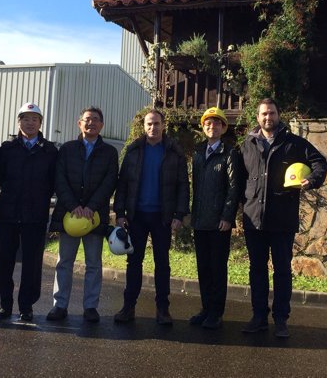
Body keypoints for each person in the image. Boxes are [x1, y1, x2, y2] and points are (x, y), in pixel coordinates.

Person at [239, 98, 327, 338]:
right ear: (257, 117)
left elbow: (320, 162)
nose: (268, 118)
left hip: (282, 220)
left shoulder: (294, 143)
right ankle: (258, 316)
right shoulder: (247, 145)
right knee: (256, 270)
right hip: (254, 220)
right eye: (264, 114)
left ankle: (280, 320)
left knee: (282, 271)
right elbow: (239, 180)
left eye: (272, 113)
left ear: (279, 115)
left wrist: (313, 180)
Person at [113, 109, 189, 325]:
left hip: (162, 217)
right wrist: (119, 213)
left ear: (163, 125)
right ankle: (128, 307)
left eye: (156, 123)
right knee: (134, 262)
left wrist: (179, 214)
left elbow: (183, 185)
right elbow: (123, 184)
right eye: (149, 124)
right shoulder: (134, 150)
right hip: (136, 216)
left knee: (162, 264)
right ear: (143, 126)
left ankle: (163, 309)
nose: (152, 127)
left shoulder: (174, 151)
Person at [46, 106, 118, 323]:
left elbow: (110, 182)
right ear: (79, 124)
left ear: (101, 125)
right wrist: (72, 206)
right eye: (87, 119)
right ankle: (60, 305)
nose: (91, 123)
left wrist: (91, 207)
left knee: (93, 264)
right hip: (69, 215)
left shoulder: (109, 152)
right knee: (64, 262)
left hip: (95, 216)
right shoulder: (67, 149)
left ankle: (90, 307)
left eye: (96, 120)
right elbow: (59, 179)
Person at [0, 103, 57, 322]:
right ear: (18, 121)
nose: (30, 123)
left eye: (35, 119)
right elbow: (0, 176)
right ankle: (4, 305)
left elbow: (52, 182)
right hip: (8, 214)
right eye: (25, 119)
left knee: (32, 264)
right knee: (4, 261)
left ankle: (26, 306)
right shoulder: (7, 148)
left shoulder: (50, 150)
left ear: (40, 123)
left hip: (36, 215)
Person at [189, 107, 241, 330]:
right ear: (203, 127)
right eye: (208, 123)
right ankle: (206, 308)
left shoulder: (230, 153)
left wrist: (227, 217)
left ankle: (216, 313)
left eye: (217, 123)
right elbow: (196, 186)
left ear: (223, 127)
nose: (213, 126)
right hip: (200, 220)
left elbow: (234, 188)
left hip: (220, 222)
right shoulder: (198, 152)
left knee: (218, 268)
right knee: (203, 268)